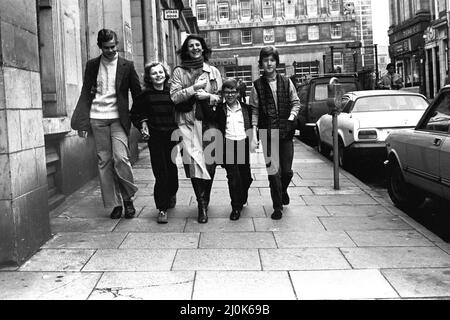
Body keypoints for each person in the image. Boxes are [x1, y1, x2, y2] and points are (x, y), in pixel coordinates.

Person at [71, 29, 141, 220]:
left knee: (121, 158)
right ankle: (115, 204)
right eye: (106, 48)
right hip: (97, 118)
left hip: (118, 119)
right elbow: (86, 92)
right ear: (100, 47)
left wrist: (140, 119)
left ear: (117, 44)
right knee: (104, 161)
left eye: (113, 46)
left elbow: (137, 93)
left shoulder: (127, 65)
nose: (111, 51)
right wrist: (82, 123)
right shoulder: (93, 65)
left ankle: (128, 199)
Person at [170, 34, 222, 224]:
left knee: (209, 164)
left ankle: (205, 199)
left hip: (210, 123)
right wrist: (193, 89)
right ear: (186, 49)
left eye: (197, 45)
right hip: (186, 123)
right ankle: (201, 204)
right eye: (190, 45)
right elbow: (174, 97)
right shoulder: (178, 72)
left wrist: (207, 95)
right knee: (193, 165)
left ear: (203, 48)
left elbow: (222, 97)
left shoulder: (213, 71)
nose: (194, 48)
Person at [249, 46, 301, 220]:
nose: (269, 63)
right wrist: (254, 135)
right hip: (267, 133)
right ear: (261, 64)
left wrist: (291, 117)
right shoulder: (256, 86)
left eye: (272, 60)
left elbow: (296, 102)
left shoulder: (286, 82)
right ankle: (277, 206)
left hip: (286, 133)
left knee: (286, 172)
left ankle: (283, 189)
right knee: (273, 172)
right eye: (265, 60)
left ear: (276, 62)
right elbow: (254, 111)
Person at [130, 62, 178, 224]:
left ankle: (171, 192)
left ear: (165, 74)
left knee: (172, 172)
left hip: (172, 137)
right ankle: (162, 208)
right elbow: (135, 113)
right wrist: (143, 123)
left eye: (160, 72)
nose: (158, 75)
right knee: (161, 173)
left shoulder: (172, 92)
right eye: (154, 73)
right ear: (149, 77)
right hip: (155, 138)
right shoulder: (145, 95)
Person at [208, 78, 253, 221]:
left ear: (238, 93)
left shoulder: (246, 109)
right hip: (227, 144)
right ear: (223, 94)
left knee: (246, 177)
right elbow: (210, 118)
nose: (230, 95)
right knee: (233, 178)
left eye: (233, 92)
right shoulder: (220, 109)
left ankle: (242, 195)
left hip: (242, 144)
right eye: (226, 93)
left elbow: (253, 125)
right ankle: (235, 207)